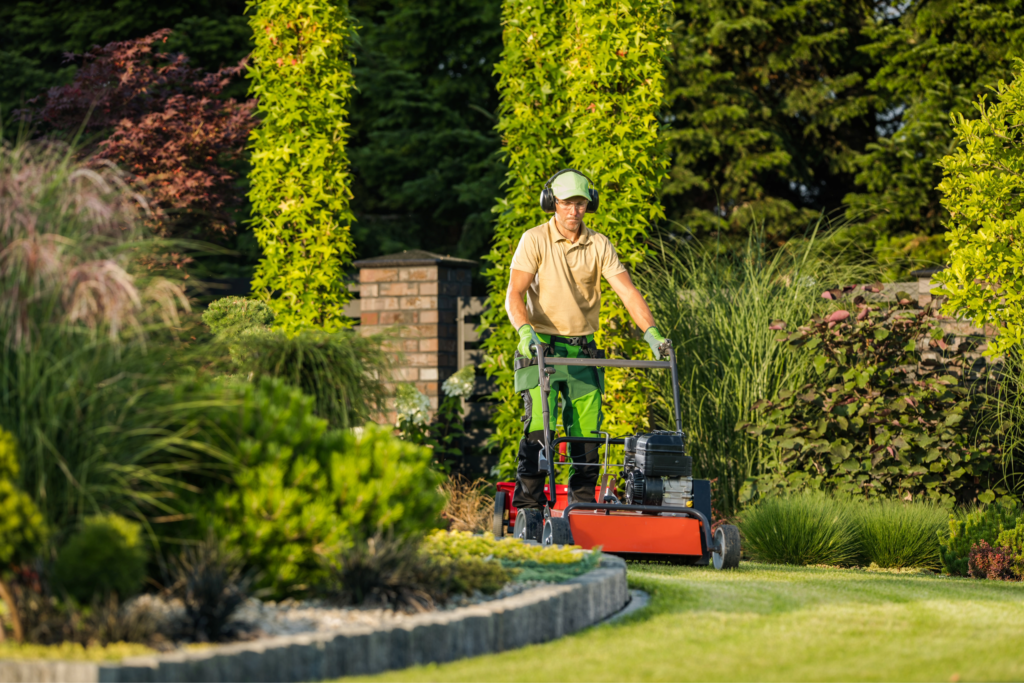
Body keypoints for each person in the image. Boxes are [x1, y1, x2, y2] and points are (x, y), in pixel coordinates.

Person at [505, 168, 669, 510]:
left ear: (588, 204)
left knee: (586, 440)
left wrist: (652, 334)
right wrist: (524, 332)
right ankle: (529, 510)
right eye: (566, 202)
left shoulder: (599, 244)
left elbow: (627, 292)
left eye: (580, 203)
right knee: (540, 432)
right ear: (552, 203)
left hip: (583, 353)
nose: (572, 211)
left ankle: (581, 509)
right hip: (542, 351)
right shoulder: (534, 239)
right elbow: (514, 294)